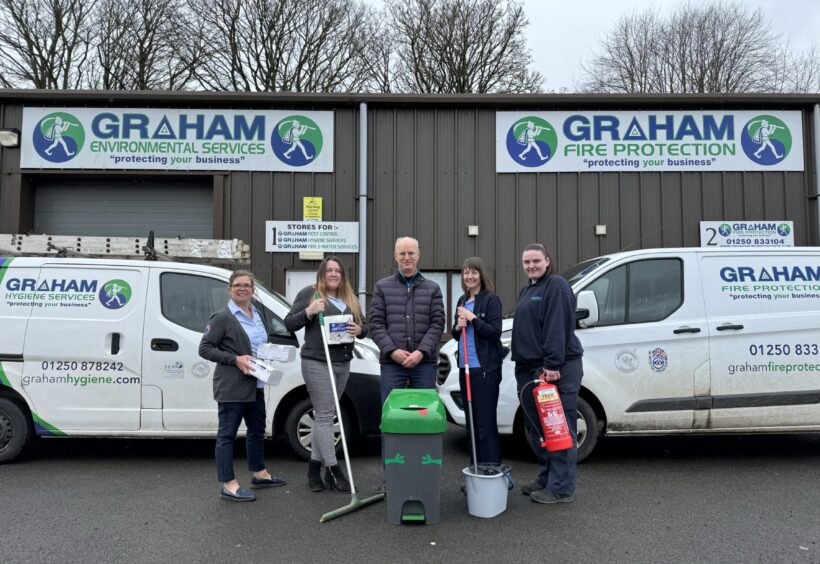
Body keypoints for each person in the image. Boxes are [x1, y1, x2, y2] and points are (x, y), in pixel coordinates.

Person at [199, 270, 287, 501]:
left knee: (257, 431)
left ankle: (259, 473)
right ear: (229, 290)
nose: (242, 288)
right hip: (232, 387)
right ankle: (228, 484)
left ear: (252, 290)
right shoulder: (222, 317)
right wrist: (235, 359)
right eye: (237, 285)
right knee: (227, 435)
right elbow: (205, 348)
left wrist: (273, 353)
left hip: (256, 384)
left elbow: (258, 345)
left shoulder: (257, 314)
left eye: (246, 285)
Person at [284, 256, 367, 493]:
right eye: (329, 270)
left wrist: (360, 330)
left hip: (342, 363)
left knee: (329, 415)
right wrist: (309, 312)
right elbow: (289, 323)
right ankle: (333, 469)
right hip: (317, 362)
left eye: (337, 271)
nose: (333, 274)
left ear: (343, 275)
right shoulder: (310, 294)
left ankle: (313, 469)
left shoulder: (349, 298)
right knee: (323, 415)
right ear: (322, 273)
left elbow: (365, 326)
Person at [369, 237, 445, 490]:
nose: (407, 258)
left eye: (411, 253)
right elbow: (376, 324)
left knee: (426, 419)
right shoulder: (382, 287)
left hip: (424, 363)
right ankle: (391, 476)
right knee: (391, 419)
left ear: (419, 255)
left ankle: (424, 472)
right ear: (395, 256)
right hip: (392, 365)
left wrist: (422, 352)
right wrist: (392, 351)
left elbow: (437, 324)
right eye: (402, 254)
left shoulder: (433, 288)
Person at [511, 243, 584, 504]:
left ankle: (561, 488)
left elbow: (557, 327)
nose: (531, 266)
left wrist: (552, 366)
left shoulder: (557, 286)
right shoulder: (528, 289)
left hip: (553, 369)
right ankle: (546, 478)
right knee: (538, 429)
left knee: (558, 427)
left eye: (536, 261)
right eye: (527, 262)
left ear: (547, 261)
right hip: (529, 369)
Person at [451, 257, 505, 466]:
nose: (470, 277)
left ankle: (490, 470)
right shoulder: (462, 301)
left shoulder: (491, 300)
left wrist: (473, 319)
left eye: (474, 272)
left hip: (484, 370)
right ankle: (475, 470)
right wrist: (458, 326)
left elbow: (494, 333)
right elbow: (458, 336)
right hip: (465, 370)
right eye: (466, 273)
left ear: (481, 275)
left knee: (485, 423)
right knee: (471, 423)